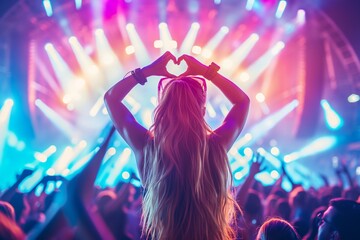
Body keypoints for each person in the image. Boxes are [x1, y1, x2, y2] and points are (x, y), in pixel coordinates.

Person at [104, 51, 250, 240]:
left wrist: (147, 71)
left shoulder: (149, 148)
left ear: (163, 109)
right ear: (202, 111)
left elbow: (111, 99)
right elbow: (242, 102)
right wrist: (206, 71)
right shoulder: (215, 146)